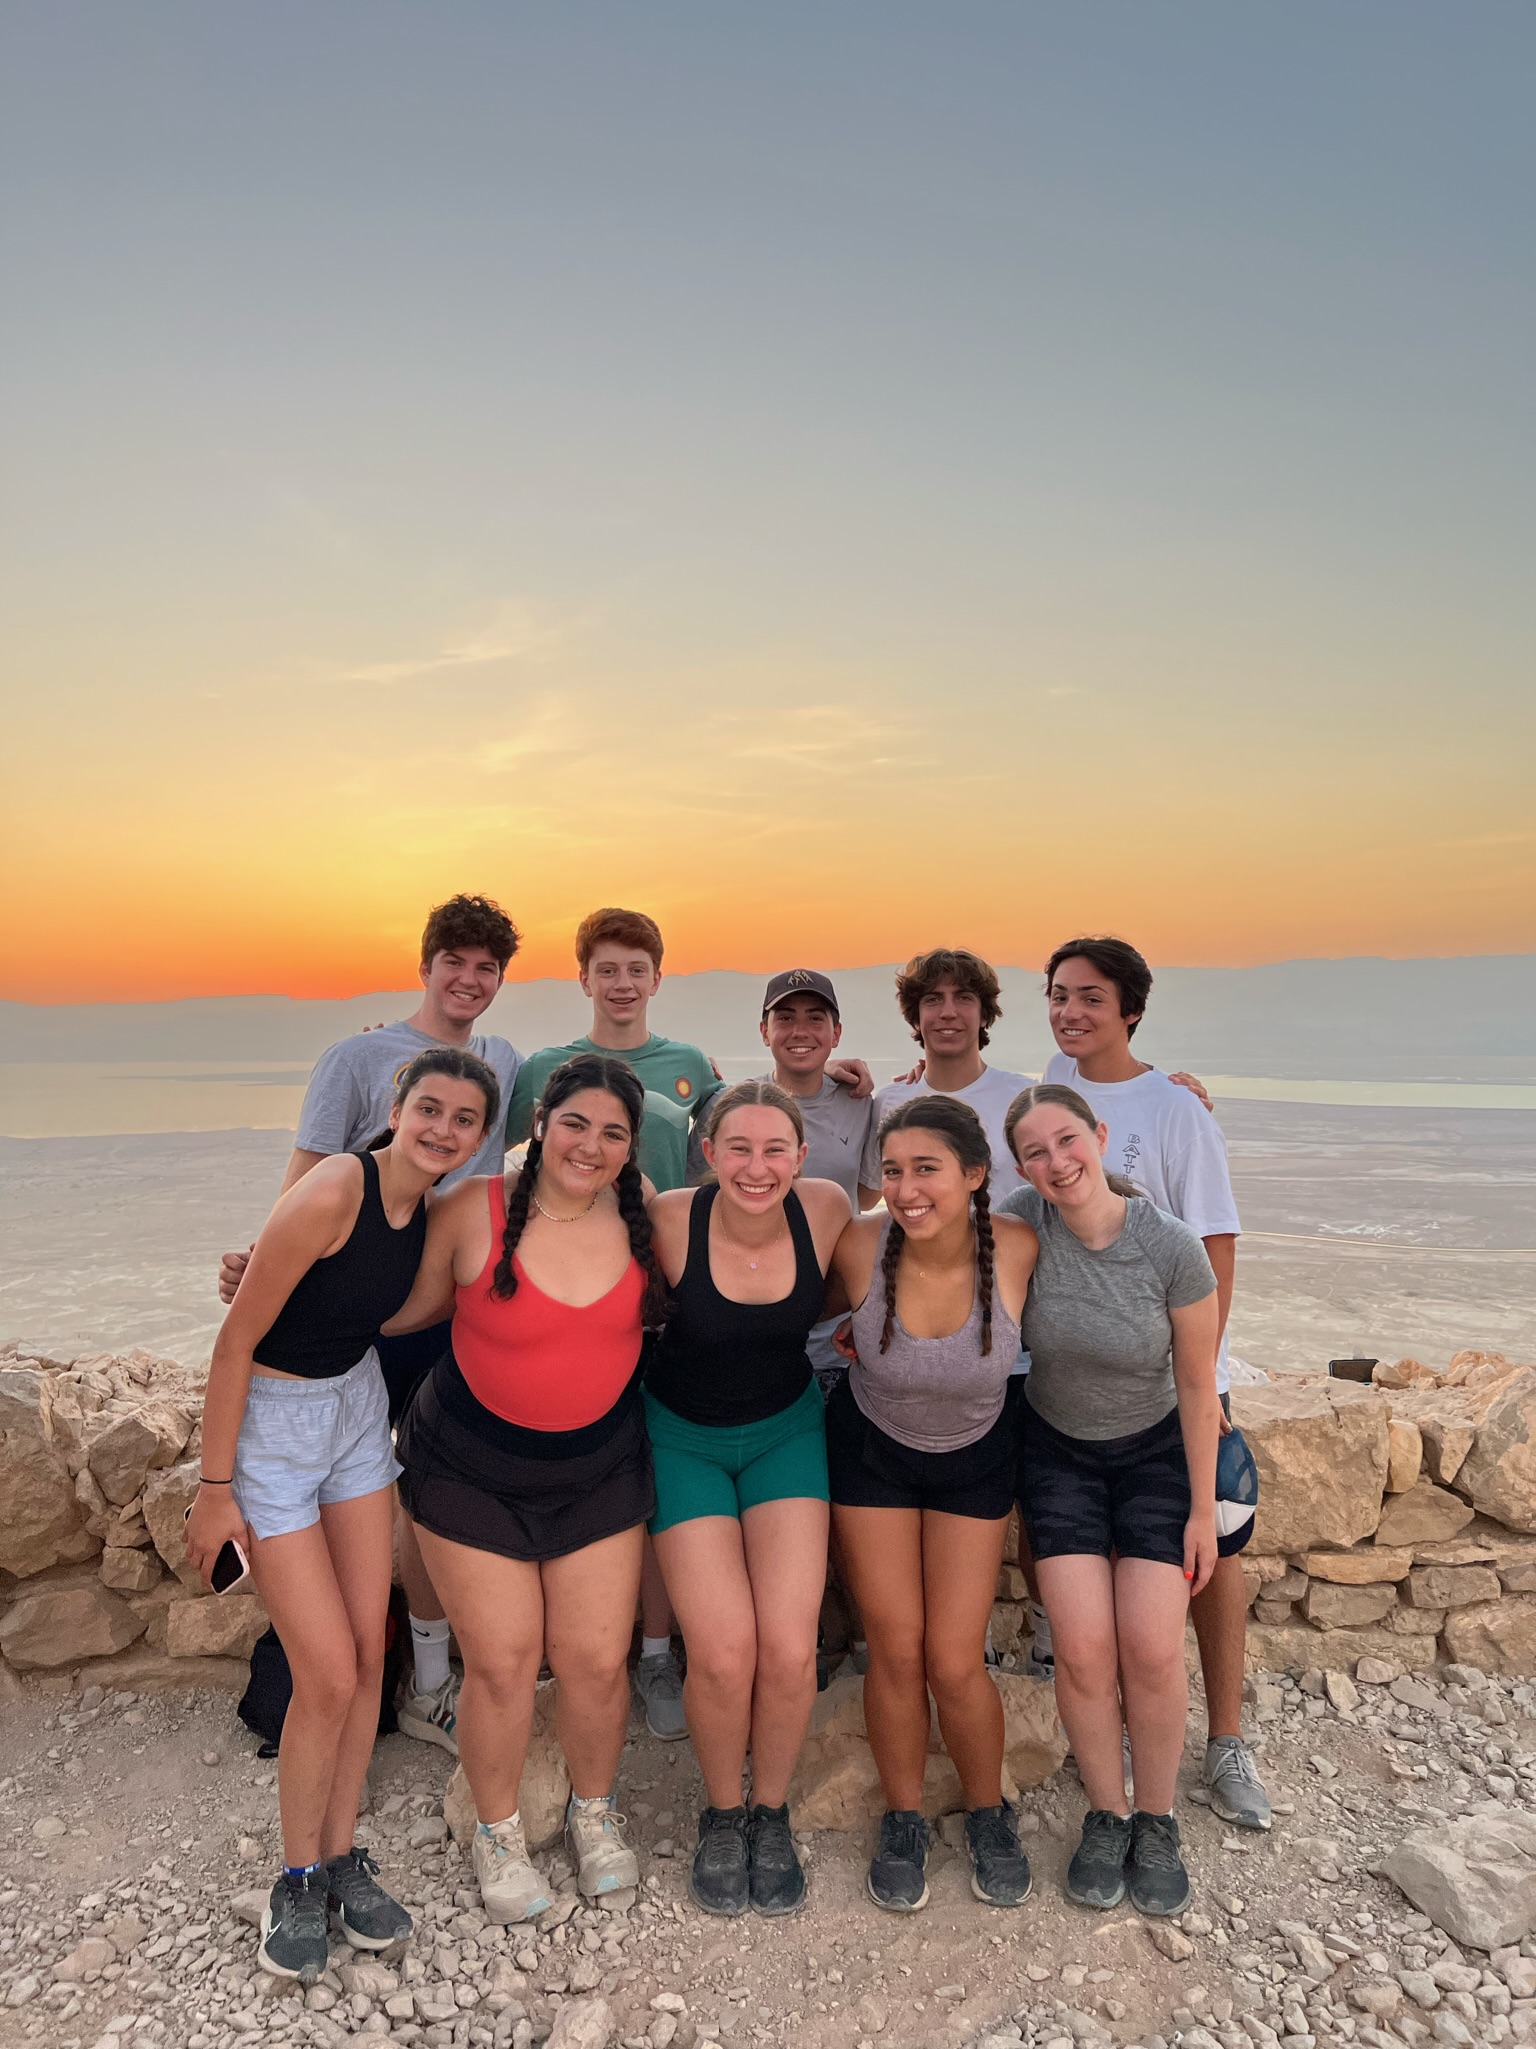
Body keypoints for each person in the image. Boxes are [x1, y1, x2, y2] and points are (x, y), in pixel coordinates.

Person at [186, 1047, 502, 1983]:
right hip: (275, 1432)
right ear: (396, 1106)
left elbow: (394, 1307)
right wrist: (214, 1491)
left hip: (357, 1413)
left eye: (464, 1119)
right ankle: (295, 1875)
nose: (443, 1128)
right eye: (430, 1108)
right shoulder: (336, 1188)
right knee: (323, 1669)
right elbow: (237, 1336)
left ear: (482, 1137)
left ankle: (338, 1853)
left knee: (370, 1652)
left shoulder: (433, 1209)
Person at [217, 892, 524, 1758]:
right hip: (353, 1315)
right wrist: (259, 1275)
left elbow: (590, 1103)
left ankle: (427, 1685)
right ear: (425, 964)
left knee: (423, 1487)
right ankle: (300, 1696)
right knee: (325, 1497)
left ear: (501, 981)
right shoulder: (357, 1056)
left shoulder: (502, 1059)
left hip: (441, 1301)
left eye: (486, 967)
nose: (469, 979)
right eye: (455, 961)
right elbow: (308, 1177)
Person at [388, 1055, 669, 1921]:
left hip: (598, 1469)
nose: (591, 1144)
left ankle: (593, 1812)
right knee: (505, 1662)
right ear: (540, 1121)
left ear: (631, 1147)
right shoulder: (473, 1209)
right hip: (469, 1466)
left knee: (591, 1659)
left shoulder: (646, 1221)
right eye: (575, 1122)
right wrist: (271, 1282)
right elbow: (397, 1308)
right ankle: (499, 1829)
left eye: (613, 1132)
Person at [1034, 936, 1267, 1828]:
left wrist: (1198, 1376)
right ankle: (1096, 1707)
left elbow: (1215, 1244)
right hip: (1069, 1370)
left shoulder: (1175, 1110)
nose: (1071, 1012)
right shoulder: (1056, 1078)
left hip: (1175, 1371)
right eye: (1059, 995)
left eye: (1091, 997)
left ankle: (1227, 1738)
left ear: (1130, 1008)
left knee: (1214, 1548)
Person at [1001, 1083, 1221, 1918]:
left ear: (1098, 1135)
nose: (1057, 1162)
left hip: (1157, 1457)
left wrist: (1203, 1510)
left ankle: (1156, 1817)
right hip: (1057, 1454)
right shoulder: (1023, 1223)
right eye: (1036, 1151)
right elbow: (938, 1230)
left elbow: (1200, 1388)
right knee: (1086, 1651)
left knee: (1154, 1650)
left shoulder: (1171, 1247)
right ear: (1020, 1164)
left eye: (1068, 1140)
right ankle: (1106, 1809)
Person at [826, 1096, 1039, 1913]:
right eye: (892, 1170)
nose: (907, 1188)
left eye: (927, 1169)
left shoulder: (1017, 1246)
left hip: (976, 1458)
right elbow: (773, 1301)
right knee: (898, 1647)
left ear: (976, 1174)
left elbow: (1114, 1243)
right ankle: (905, 1816)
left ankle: (989, 1811)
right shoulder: (857, 1242)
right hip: (871, 1451)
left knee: (955, 1657)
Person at [644, 1081, 850, 1918]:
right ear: (708, 1152)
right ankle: (722, 1812)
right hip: (681, 1436)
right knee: (724, 1651)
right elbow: (553, 1222)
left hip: (784, 1434)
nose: (757, 1167)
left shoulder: (828, 1209)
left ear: (802, 1157)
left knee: (791, 1650)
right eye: (739, 1147)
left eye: (775, 1150)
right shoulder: (670, 1220)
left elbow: (916, 1240)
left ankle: (772, 1810)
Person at [858, 949, 1031, 1208]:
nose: (948, 1012)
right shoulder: (891, 1101)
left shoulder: (1023, 1097)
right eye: (933, 999)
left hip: (1007, 1246)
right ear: (915, 1017)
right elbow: (865, 1197)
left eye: (963, 998)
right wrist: (823, 1072)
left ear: (984, 1014)